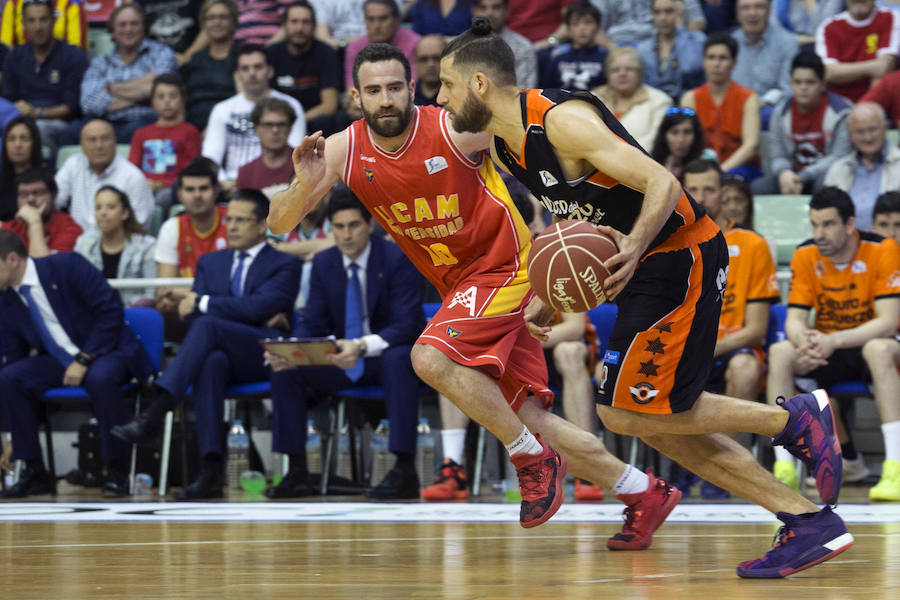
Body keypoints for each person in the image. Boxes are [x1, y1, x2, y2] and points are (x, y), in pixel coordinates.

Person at [438, 18, 852, 577]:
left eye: (446, 84)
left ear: (480, 84)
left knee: (621, 411)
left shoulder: (563, 123)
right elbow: (578, 215)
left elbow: (663, 182)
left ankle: (793, 421)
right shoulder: (509, 146)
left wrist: (633, 246)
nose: (439, 97)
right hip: (648, 267)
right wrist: (551, 288)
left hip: (681, 255)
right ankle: (808, 521)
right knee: (655, 418)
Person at [269, 44, 675, 541]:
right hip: (459, 288)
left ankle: (529, 458)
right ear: (357, 97)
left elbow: (537, 133)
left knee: (429, 359)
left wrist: (583, 206)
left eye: (395, 87)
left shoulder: (455, 126)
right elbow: (278, 223)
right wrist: (302, 185)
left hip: (510, 269)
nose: (386, 99)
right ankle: (643, 490)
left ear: (412, 89)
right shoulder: (342, 149)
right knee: (525, 416)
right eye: (373, 91)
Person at [112, 190, 302, 500]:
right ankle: (210, 470)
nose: (233, 227)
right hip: (225, 351)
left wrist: (206, 303)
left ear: (261, 225)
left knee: (210, 325)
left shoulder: (284, 263)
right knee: (210, 360)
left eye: (242, 220)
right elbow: (192, 315)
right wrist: (228, 310)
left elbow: (257, 307)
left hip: (265, 354)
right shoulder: (210, 262)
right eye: (230, 220)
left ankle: (155, 412)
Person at [265, 189, 424, 499]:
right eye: (338, 227)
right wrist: (296, 351)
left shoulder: (396, 259)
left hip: (383, 356)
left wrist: (362, 346)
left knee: (399, 358)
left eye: (353, 225)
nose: (346, 235)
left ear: (370, 224)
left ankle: (405, 469)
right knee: (286, 370)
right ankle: (296, 470)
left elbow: (409, 324)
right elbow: (312, 322)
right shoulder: (324, 263)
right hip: (340, 358)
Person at [766, 187, 900, 501]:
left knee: (878, 348)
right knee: (780, 352)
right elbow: (795, 320)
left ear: (850, 223)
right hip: (827, 348)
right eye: (814, 225)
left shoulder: (883, 248)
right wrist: (806, 341)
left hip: (870, 343)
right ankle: (783, 468)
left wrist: (832, 340)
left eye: (828, 224)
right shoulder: (805, 254)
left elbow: (888, 321)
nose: (819, 234)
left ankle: (894, 465)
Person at [0, 230, 156, 498]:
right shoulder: (6, 298)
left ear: (12, 259)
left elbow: (111, 312)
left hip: (109, 349)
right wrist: (15, 434)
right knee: (10, 377)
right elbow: (16, 352)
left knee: (100, 378)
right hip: (59, 360)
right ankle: (34, 471)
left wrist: (84, 359)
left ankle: (117, 472)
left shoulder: (67, 265)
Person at [202, 44, 306, 188]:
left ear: (270, 71)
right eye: (245, 68)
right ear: (237, 74)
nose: (252, 73)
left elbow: (295, 151)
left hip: (282, 182)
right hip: (231, 184)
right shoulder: (222, 109)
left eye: (258, 67)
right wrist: (223, 182)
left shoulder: (291, 105)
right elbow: (211, 157)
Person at [76, 3, 179, 144]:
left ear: (143, 28)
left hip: (143, 121)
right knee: (72, 131)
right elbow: (88, 103)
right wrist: (144, 90)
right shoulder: (100, 62)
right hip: (103, 121)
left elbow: (162, 91)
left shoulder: (162, 54)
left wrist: (112, 89)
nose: (128, 29)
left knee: (137, 131)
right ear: (113, 31)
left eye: (134, 24)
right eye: (122, 25)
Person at [755, 50, 852, 195]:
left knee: (826, 185)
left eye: (810, 82)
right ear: (790, 84)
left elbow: (839, 157)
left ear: (823, 85)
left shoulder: (842, 113)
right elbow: (777, 156)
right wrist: (784, 173)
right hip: (792, 175)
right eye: (797, 82)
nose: (803, 88)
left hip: (825, 174)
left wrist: (803, 176)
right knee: (759, 188)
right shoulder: (780, 113)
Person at [0, 0, 88, 159]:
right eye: (31, 21)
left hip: (59, 123)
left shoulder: (74, 56)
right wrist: (16, 108)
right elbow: (8, 99)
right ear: (24, 24)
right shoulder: (14, 56)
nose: (38, 27)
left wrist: (37, 113)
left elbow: (71, 108)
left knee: (39, 130)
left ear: (54, 21)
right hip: (18, 119)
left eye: (43, 19)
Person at [154, 160, 229, 335]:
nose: (197, 195)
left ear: (216, 191)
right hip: (183, 308)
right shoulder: (172, 227)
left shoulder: (233, 221)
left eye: (203, 188)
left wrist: (191, 296)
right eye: (190, 189)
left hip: (227, 308)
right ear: (179, 194)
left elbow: (236, 288)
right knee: (146, 309)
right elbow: (166, 289)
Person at [682, 32, 762, 180]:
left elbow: (751, 146)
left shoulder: (749, 98)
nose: (716, 64)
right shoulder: (690, 98)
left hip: (741, 169)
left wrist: (720, 171)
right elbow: (686, 142)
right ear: (703, 62)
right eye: (711, 57)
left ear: (734, 63)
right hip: (701, 168)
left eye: (723, 58)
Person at [55, 119, 155, 232]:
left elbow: (140, 224)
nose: (99, 145)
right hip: (77, 243)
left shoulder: (133, 176)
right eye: (92, 140)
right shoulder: (73, 165)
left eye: (105, 139)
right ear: (82, 145)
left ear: (114, 142)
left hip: (118, 245)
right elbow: (54, 202)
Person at [823, 102, 900, 233]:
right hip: (848, 248)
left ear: (885, 128)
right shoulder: (838, 169)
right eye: (860, 131)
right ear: (850, 134)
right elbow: (826, 216)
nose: (868, 137)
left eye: (872, 129)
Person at [74, 186, 157, 306]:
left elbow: (151, 293)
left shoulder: (147, 246)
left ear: (124, 213)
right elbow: (77, 287)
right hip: (93, 313)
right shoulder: (84, 244)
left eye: (111, 207)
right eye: (98, 207)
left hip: (133, 314)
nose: (103, 213)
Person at [268, 1, 340, 133]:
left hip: (313, 120)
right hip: (278, 119)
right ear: (284, 26)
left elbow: (330, 106)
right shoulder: (272, 54)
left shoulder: (326, 53)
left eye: (305, 22)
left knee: (326, 121)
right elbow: (265, 100)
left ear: (313, 26)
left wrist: (297, 121)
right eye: (294, 21)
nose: (299, 28)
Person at [816, 0, 900, 104]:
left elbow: (884, 69)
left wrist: (864, 108)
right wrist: (873, 66)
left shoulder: (890, 17)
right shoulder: (829, 26)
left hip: (874, 105)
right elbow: (828, 72)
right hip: (836, 105)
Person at [591, 46, 672, 150]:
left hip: (641, 161)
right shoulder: (594, 98)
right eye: (615, 70)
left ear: (639, 73)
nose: (622, 74)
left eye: (629, 69)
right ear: (607, 74)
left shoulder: (659, 101)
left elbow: (654, 140)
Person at [180, 0, 240, 130]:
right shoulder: (195, 59)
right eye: (211, 18)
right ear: (204, 24)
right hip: (194, 127)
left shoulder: (242, 57)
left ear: (234, 22)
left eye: (223, 17)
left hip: (231, 126)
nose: (217, 22)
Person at [731, 0, 797, 115]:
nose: (752, 13)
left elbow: (789, 89)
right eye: (745, 8)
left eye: (759, 7)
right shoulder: (729, 44)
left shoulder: (787, 42)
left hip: (772, 111)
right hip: (734, 110)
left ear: (769, 11)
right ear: (738, 14)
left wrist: (761, 104)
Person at [2, 168, 82, 257]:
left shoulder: (69, 229)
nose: (30, 200)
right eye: (24, 195)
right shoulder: (11, 229)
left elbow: (47, 268)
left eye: (38, 193)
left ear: (54, 196)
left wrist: (34, 221)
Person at [637, 0, 706, 103]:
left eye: (669, 11)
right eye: (657, 12)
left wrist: (681, 27)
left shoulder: (697, 40)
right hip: (655, 105)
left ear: (679, 13)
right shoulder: (643, 48)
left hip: (687, 105)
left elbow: (688, 67)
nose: (663, 18)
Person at [343, 0, 420, 90]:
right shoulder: (355, 48)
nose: (376, 26)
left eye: (383, 19)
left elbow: (412, 87)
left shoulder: (416, 44)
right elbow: (352, 90)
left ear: (396, 20)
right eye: (371, 19)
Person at [538, 1, 608, 92]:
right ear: (568, 30)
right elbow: (547, 91)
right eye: (576, 24)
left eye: (588, 23)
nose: (582, 28)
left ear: (598, 27)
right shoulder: (558, 59)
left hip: (595, 103)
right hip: (562, 104)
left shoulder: (605, 59)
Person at [236, 97, 297, 195]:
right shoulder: (246, 172)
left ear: (290, 128)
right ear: (257, 129)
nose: (275, 130)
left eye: (281, 124)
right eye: (268, 125)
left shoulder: (305, 163)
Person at [471, 0, 536, 89]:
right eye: (483, 8)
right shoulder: (460, 47)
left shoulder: (522, 47)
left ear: (507, 11)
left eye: (496, 7)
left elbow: (525, 93)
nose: (489, 13)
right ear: (474, 11)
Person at [0, 116, 44, 221]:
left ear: (34, 143)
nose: (18, 145)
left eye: (24, 138)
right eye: (11, 139)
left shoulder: (46, 179)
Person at [649, 107, 709, 179]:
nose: (681, 139)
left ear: (696, 134)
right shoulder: (651, 163)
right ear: (664, 135)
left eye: (687, 132)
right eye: (674, 132)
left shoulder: (708, 158)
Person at [413, 35, 447, 106]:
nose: (430, 64)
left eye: (437, 58)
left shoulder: (458, 95)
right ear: (415, 62)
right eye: (423, 59)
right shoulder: (408, 96)